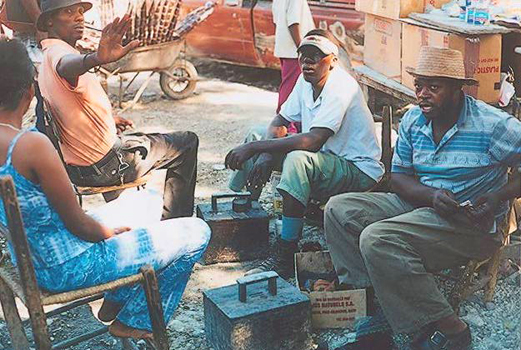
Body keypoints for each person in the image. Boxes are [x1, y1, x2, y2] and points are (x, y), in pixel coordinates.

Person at [0, 36, 211, 340]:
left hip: (29, 260)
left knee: (148, 201)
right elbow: (81, 224)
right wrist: (112, 234)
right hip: (65, 267)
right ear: (29, 91)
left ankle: (116, 301)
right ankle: (135, 319)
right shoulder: (30, 144)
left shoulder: (21, 143)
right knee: (197, 232)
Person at [324, 46, 521, 350]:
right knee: (339, 209)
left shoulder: (492, 124)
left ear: (457, 89)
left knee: (377, 239)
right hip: (425, 206)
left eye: (434, 86)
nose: (423, 94)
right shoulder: (414, 120)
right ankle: (376, 307)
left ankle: (452, 329)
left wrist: (498, 196)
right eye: (419, 85)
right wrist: (431, 195)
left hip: (470, 224)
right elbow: (399, 177)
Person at [226, 29, 384, 278]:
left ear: (332, 60)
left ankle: (286, 252)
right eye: (303, 56)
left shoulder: (341, 86)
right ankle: (242, 214)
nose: (307, 62)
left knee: (296, 159)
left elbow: (313, 140)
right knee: (257, 134)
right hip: (326, 158)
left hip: (357, 168)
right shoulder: (305, 80)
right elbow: (281, 118)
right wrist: (264, 151)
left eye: (315, 57)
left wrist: (258, 149)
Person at [37, 0, 198, 219]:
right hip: (106, 165)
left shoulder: (47, 55)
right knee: (187, 142)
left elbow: (72, 100)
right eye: (68, 11)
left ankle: (130, 222)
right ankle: (177, 224)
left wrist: (107, 118)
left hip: (83, 168)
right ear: (49, 21)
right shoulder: (59, 56)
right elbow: (66, 66)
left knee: (131, 142)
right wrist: (95, 58)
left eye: (80, 11)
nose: (79, 17)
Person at [272, 0, 315, 114]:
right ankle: (284, 122)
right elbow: (293, 23)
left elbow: (276, 21)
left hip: (285, 48)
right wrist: (301, 49)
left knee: (290, 85)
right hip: (294, 51)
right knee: (291, 87)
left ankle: (288, 121)